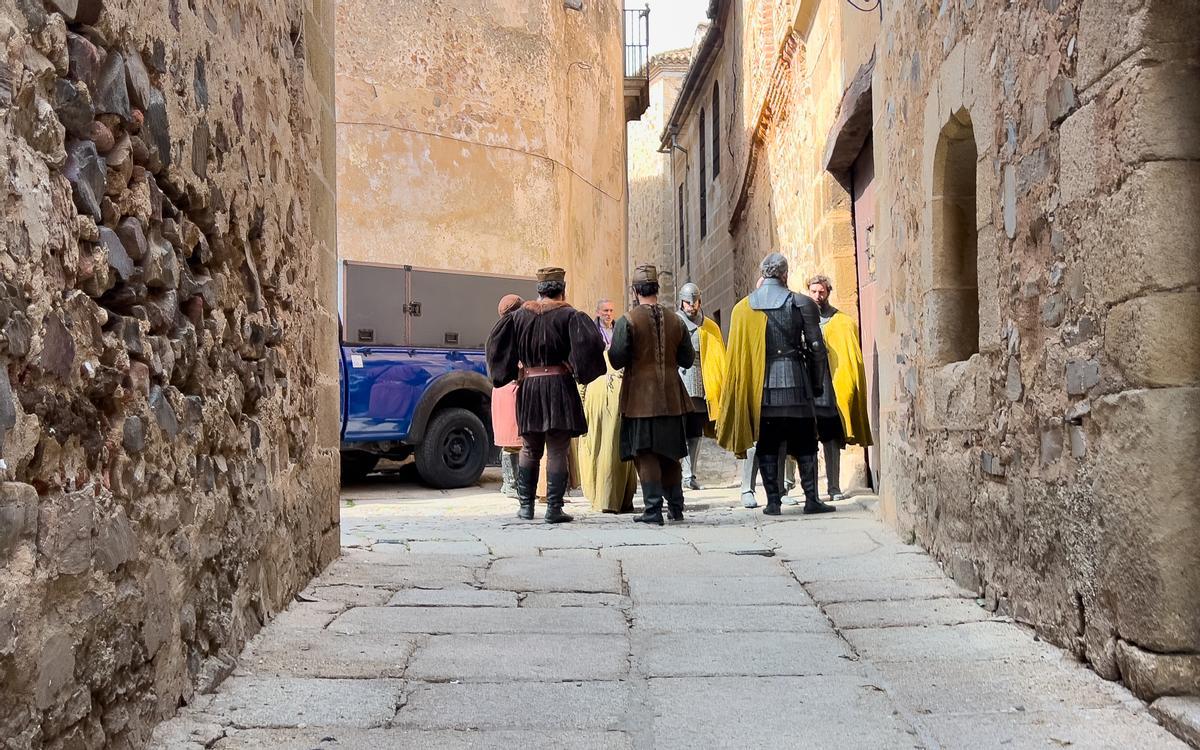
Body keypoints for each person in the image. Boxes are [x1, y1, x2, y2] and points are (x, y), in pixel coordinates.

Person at [717, 252, 836, 516]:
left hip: (762, 387)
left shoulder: (744, 308)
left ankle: (773, 502)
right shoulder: (802, 303)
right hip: (796, 382)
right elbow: (817, 349)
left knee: (768, 442)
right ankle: (811, 499)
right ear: (784, 274)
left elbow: (739, 353)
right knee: (805, 440)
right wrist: (817, 385)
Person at [486, 267, 606, 523]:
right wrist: (576, 369)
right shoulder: (569, 315)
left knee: (530, 448)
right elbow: (589, 347)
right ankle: (553, 509)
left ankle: (526, 507)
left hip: (529, 387)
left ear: (539, 290)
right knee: (557, 450)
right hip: (559, 387)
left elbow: (497, 347)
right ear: (562, 290)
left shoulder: (517, 317)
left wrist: (510, 373)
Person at [609, 264, 695, 525]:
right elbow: (688, 359)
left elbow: (616, 359)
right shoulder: (676, 320)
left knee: (646, 453)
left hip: (639, 399)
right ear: (656, 289)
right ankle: (676, 508)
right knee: (670, 453)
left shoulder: (628, 320)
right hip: (672, 397)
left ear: (635, 291)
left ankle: (653, 510)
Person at [807, 274, 873, 500]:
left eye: (821, 291)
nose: (818, 296)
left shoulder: (842, 322)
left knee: (831, 437)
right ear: (808, 292)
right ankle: (811, 491)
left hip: (830, 389)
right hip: (807, 389)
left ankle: (833, 487)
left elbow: (850, 359)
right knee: (807, 442)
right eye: (814, 291)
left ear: (828, 292)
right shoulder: (802, 320)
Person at [675, 282, 727, 491]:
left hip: (701, 384)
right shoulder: (674, 323)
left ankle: (690, 475)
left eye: (695, 302)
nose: (691, 306)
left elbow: (718, 356)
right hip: (679, 382)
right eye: (688, 302)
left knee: (695, 432)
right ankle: (677, 474)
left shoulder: (710, 326)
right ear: (681, 302)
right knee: (678, 431)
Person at [491, 294, 524, 498]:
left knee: (509, 440)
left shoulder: (496, 331)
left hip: (500, 390)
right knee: (515, 439)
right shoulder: (516, 331)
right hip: (512, 387)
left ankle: (509, 483)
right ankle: (513, 484)